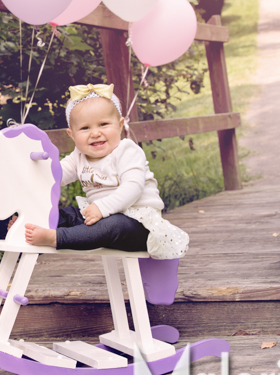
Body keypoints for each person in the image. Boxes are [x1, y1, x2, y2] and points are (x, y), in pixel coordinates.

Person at [21, 83, 189, 260]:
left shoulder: (126, 151)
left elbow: (133, 187)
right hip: (98, 218)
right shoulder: (78, 155)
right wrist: (36, 168)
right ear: (71, 134)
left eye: (103, 124)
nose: (95, 133)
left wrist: (102, 207)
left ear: (120, 125)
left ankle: (56, 238)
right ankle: (27, 225)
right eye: (85, 128)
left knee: (113, 225)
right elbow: (56, 176)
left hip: (136, 224)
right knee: (67, 215)